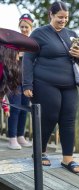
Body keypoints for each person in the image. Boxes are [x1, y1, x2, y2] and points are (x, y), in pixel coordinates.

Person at [22, 1, 79, 171]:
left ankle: (68, 158)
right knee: (49, 116)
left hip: (70, 84)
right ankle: (40, 152)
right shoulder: (39, 33)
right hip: (44, 82)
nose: (63, 20)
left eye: (66, 17)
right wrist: (27, 84)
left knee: (68, 119)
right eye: (60, 17)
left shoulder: (71, 34)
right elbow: (28, 59)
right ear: (51, 14)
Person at [7, 13, 34, 150]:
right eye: (22, 26)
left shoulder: (32, 43)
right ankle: (12, 138)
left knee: (25, 109)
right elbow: (7, 60)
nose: (24, 29)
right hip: (14, 82)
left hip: (27, 82)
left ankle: (20, 136)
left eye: (26, 27)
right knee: (15, 108)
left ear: (31, 27)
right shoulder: (14, 42)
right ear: (19, 26)